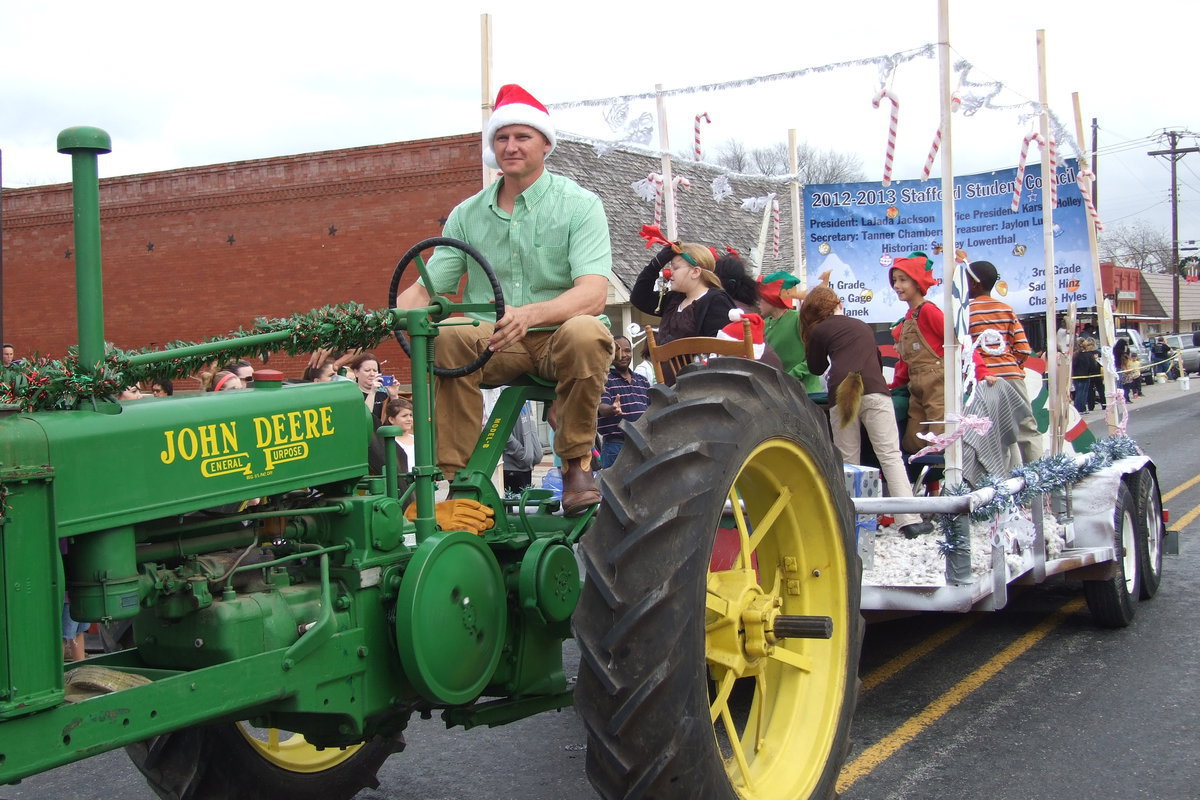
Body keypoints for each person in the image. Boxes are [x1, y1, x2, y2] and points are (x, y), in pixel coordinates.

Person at [392, 83, 612, 517]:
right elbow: (428, 287)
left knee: (588, 332)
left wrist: (532, 314)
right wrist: (396, 314)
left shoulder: (579, 205)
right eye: (502, 138)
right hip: (495, 343)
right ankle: (460, 483)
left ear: (546, 143)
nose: (510, 146)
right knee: (450, 335)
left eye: (522, 136)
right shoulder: (466, 214)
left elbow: (594, 292)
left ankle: (575, 464)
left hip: (558, 339)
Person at [801, 286, 931, 538]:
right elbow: (877, 360)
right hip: (874, 390)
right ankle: (910, 520)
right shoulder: (861, 325)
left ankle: (853, 525)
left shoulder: (819, 330)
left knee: (849, 463)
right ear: (837, 304)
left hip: (842, 393)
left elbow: (816, 368)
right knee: (890, 455)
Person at [888, 253, 993, 453]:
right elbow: (906, 360)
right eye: (894, 281)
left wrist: (980, 371)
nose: (896, 286)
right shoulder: (907, 317)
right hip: (916, 388)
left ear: (918, 282)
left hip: (938, 386)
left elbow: (959, 341)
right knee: (913, 442)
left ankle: (944, 482)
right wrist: (895, 385)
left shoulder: (929, 311)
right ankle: (927, 483)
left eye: (903, 280)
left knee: (940, 441)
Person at [967, 260, 1041, 466]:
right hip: (1012, 376)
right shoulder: (1006, 309)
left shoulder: (966, 312)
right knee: (1027, 427)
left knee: (992, 433)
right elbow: (1023, 349)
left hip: (983, 379)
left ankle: (999, 483)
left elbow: (965, 349)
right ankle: (1039, 478)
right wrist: (1011, 365)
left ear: (974, 284)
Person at [631, 237, 735, 346]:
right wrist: (655, 265)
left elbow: (720, 348)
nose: (669, 273)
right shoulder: (674, 300)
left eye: (675, 268)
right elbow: (639, 298)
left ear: (695, 272)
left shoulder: (716, 301)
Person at [757, 270, 823, 393]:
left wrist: (791, 376)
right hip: (779, 396)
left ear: (773, 298)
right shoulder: (763, 324)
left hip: (806, 395)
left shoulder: (799, 319)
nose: (758, 301)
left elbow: (817, 356)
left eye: (762, 297)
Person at [597, 336, 651, 469]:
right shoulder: (604, 379)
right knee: (615, 489)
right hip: (616, 447)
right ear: (611, 354)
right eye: (618, 350)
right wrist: (612, 409)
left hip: (641, 445)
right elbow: (601, 407)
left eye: (627, 350)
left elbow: (652, 409)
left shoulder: (643, 381)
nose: (623, 355)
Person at [503, 401, 543, 494]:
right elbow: (502, 433)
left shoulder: (525, 394)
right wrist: (523, 455)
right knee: (513, 505)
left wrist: (536, 454)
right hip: (512, 466)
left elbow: (530, 425)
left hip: (526, 465)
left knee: (523, 504)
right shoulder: (502, 391)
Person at [348, 352, 389, 422]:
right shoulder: (352, 396)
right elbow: (363, 418)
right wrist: (372, 392)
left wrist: (394, 396)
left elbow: (394, 419)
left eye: (375, 370)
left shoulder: (383, 394)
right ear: (356, 372)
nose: (372, 374)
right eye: (367, 370)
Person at [1072, 338, 1103, 413]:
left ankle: (1078, 408)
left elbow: (1073, 365)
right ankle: (1081, 408)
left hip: (1076, 376)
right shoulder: (1088, 355)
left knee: (1079, 392)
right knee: (1083, 392)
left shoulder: (1075, 355)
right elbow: (1093, 366)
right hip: (1086, 375)